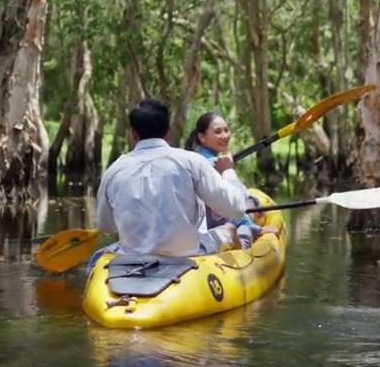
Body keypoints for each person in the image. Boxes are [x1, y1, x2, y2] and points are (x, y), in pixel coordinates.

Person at [94, 98, 250, 261]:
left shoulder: (113, 170)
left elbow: (106, 226)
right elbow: (236, 209)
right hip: (188, 252)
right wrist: (228, 171)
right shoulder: (191, 161)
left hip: (133, 255)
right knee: (230, 228)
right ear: (167, 131)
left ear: (133, 133)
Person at [190, 111, 262, 249]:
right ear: (202, 137)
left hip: (207, 224)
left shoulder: (197, 157)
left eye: (226, 130)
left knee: (251, 200)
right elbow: (230, 208)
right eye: (218, 132)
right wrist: (257, 228)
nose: (225, 135)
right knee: (246, 214)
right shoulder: (210, 165)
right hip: (214, 227)